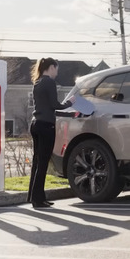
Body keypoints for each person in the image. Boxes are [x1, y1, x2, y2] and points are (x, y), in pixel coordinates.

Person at [28, 58, 74, 209]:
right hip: (47, 125)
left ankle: (35, 197)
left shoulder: (38, 81)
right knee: (43, 163)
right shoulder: (49, 82)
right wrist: (70, 103)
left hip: (35, 124)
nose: (57, 72)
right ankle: (38, 200)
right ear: (52, 67)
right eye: (56, 69)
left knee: (37, 162)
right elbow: (55, 105)